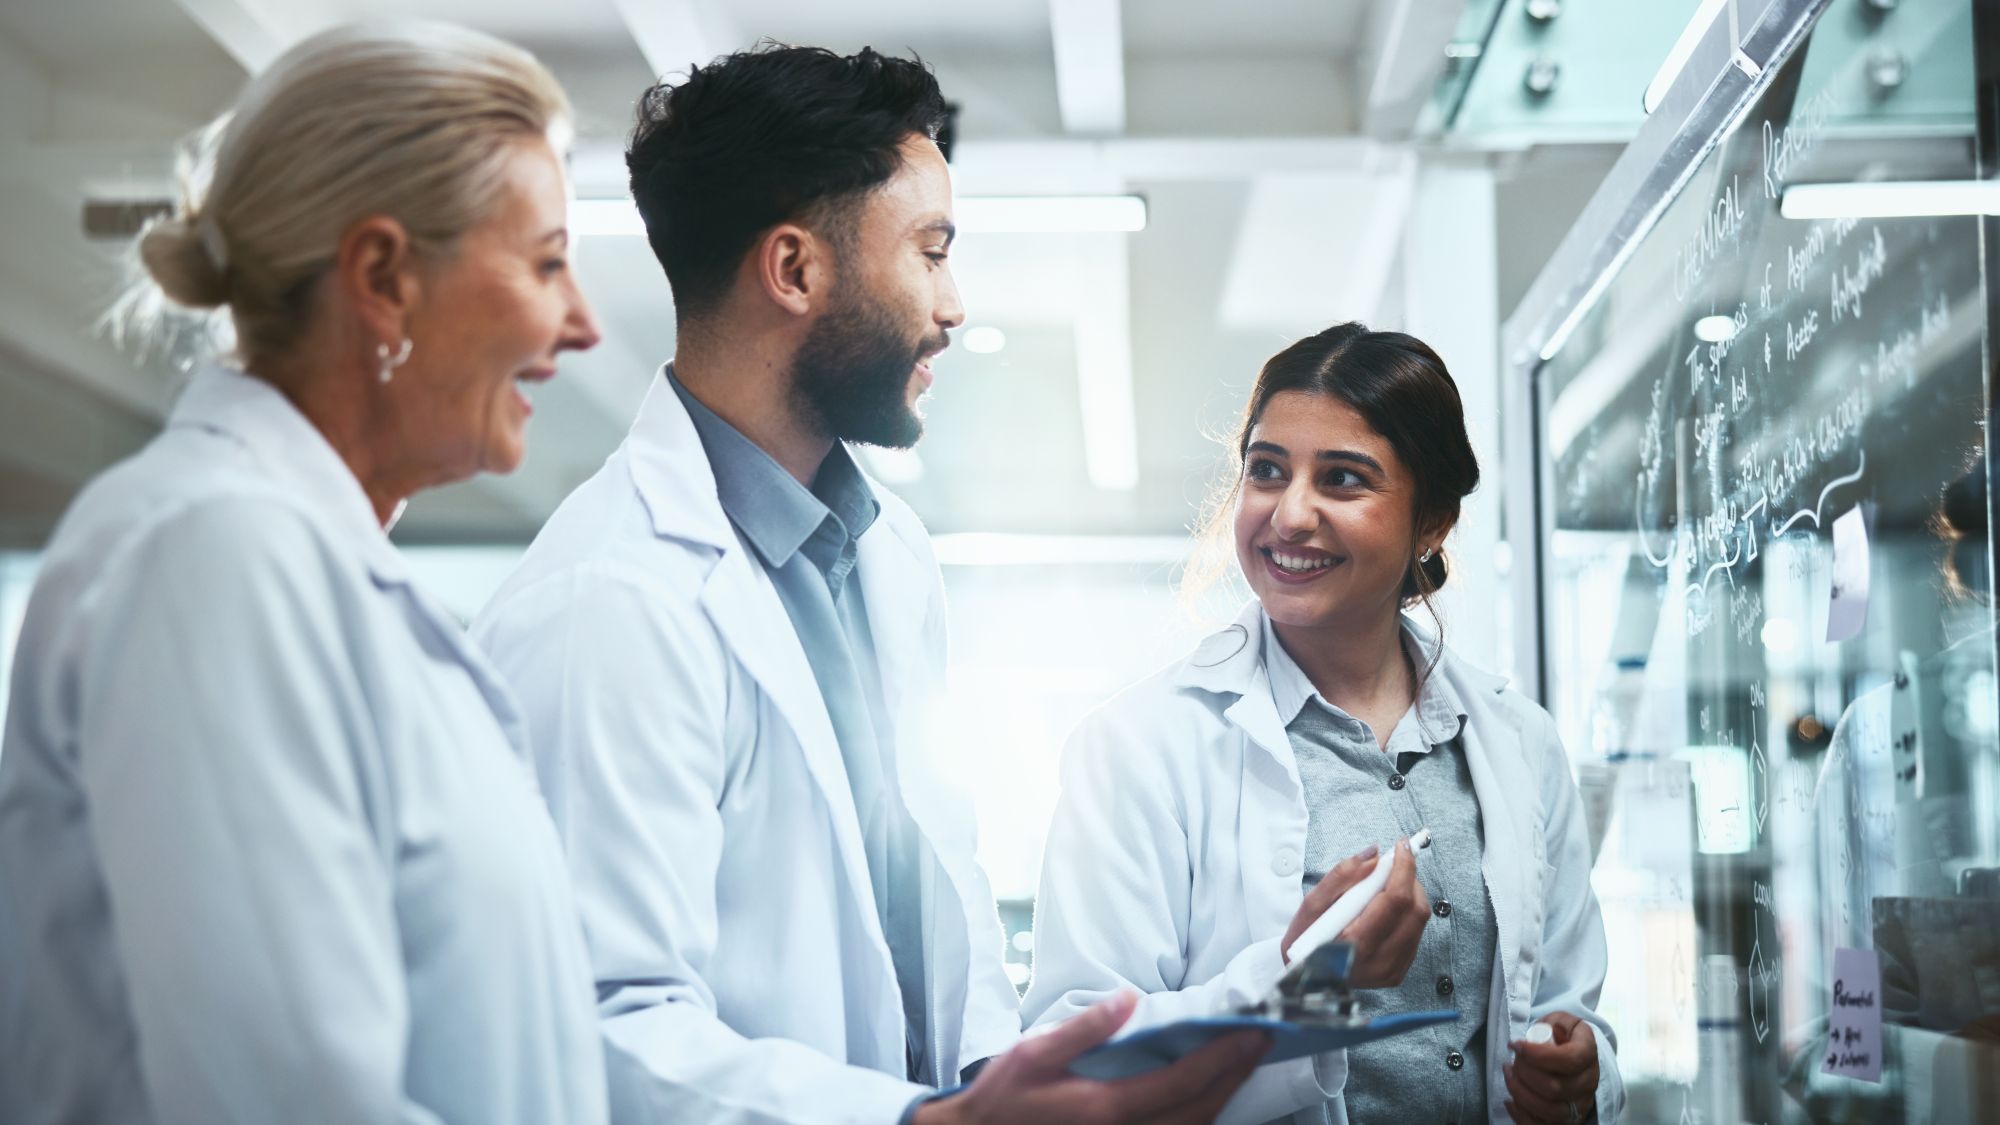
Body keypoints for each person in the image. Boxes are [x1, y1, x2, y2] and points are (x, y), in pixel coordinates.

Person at [470, 44, 1266, 1125]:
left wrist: (998, 1089)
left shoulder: (886, 553)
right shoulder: (608, 597)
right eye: (929, 252)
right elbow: (600, 1027)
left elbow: (941, 909)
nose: (952, 304)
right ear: (794, 271)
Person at [0, 23, 607, 1124]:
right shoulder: (213, 555)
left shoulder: (306, 563)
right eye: (547, 261)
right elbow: (289, 1102)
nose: (583, 324)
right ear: (383, 277)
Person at [1022, 323, 1625, 1125]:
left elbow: (1564, 1001)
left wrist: (1582, 1072)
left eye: (1343, 479)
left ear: (1432, 522)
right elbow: (1073, 1061)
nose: (1290, 513)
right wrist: (1307, 986)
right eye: (1266, 471)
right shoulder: (1140, 746)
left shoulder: (1519, 742)